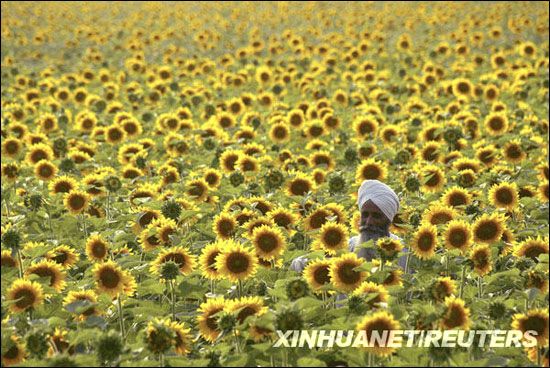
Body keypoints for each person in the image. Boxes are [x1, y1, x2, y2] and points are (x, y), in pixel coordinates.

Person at [290, 179, 411, 273]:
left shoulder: (404, 253)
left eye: (376, 216)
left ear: (389, 220)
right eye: (365, 215)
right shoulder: (347, 246)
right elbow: (301, 262)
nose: (369, 222)